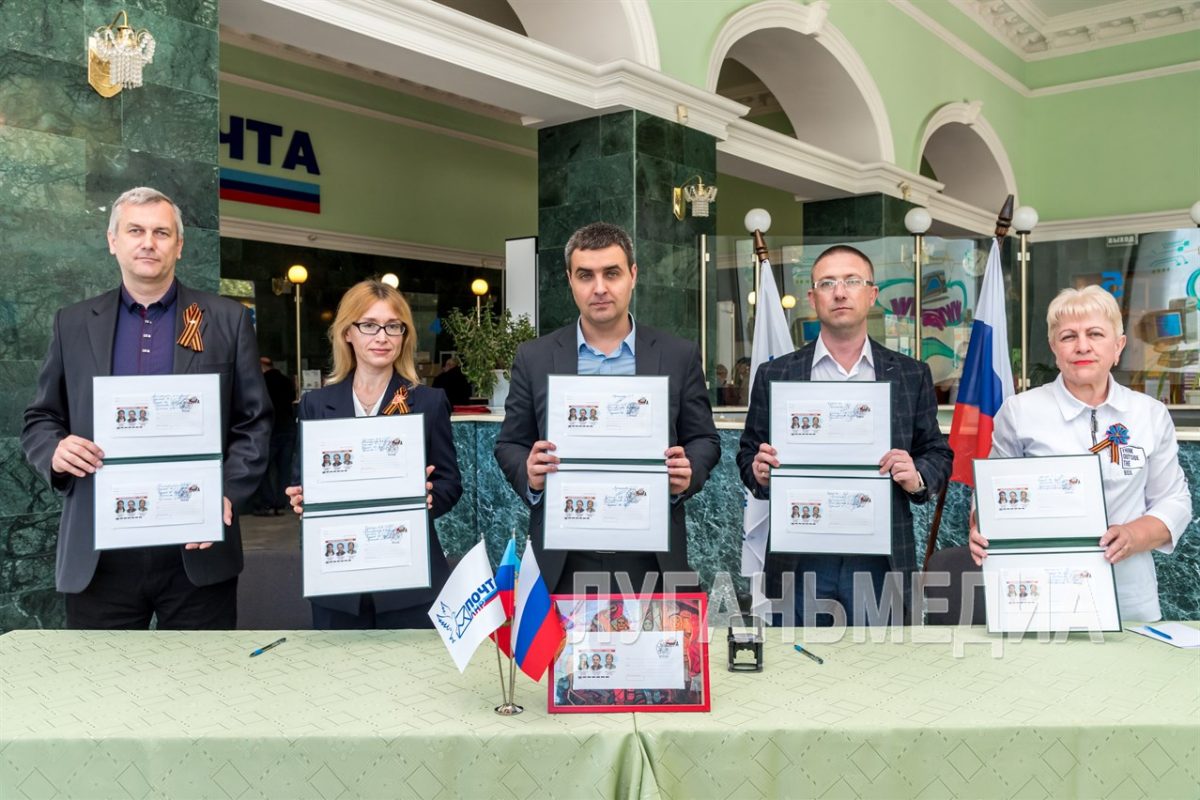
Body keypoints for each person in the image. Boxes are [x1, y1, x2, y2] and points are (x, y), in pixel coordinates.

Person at [22, 187, 271, 630]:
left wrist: (226, 493)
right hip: (100, 553)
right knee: (100, 688)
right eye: (135, 230)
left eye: (161, 232)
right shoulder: (73, 322)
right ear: (112, 240)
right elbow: (41, 418)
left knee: (202, 683)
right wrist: (54, 451)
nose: (148, 242)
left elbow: (254, 422)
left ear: (179, 244)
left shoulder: (227, 319)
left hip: (196, 544)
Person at [494, 222, 720, 595]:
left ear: (632, 275)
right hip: (564, 556)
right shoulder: (534, 357)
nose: (599, 288)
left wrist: (689, 469)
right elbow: (510, 445)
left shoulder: (678, 355)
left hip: (651, 556)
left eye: (611, 273)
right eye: (586, 275)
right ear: (570, 280)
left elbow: (704, 439)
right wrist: (528, 472)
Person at [738, 244, 952, 625]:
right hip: (800, 557)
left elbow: (937, 452)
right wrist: (758, 470)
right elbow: (747, 454)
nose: (840, 292)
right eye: (827, 283)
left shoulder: (909, 374)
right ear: (812, 297)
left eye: (852, 281)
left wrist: (917, 475)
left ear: (871, 294)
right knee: (801, 674)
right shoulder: (777, 375)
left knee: (881, 675)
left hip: (879, 558)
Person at [970, 286, 1191, 622]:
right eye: (1068, 336)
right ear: (1054, 349)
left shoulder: (1149, 414)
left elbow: (1175, 501)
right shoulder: (1020, 412)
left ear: (1118, 346)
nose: (1082, 346)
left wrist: (1133, 535)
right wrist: (979, 525)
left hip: (1128, 592)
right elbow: (989, 495)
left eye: (1095, 334)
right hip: (1040, 590)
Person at [286, 279, 462, 629]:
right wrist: (300, 497)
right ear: (347, 333)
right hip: (337, 581)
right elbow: (299, 479)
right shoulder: (317, 404)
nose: (382, 337)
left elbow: (449, 484)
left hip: (408, 578)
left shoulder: (427, 401)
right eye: (369, 325)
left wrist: (427, 498)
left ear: (404, 336)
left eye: (393, 326)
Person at [252, 356, 297, 516]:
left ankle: (267, 502)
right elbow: (292, 399)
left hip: (270, 430)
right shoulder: (286, 381)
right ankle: (282, 502)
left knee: (262, 469)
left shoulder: (261, 382)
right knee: (284, 469)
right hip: (288, 428)